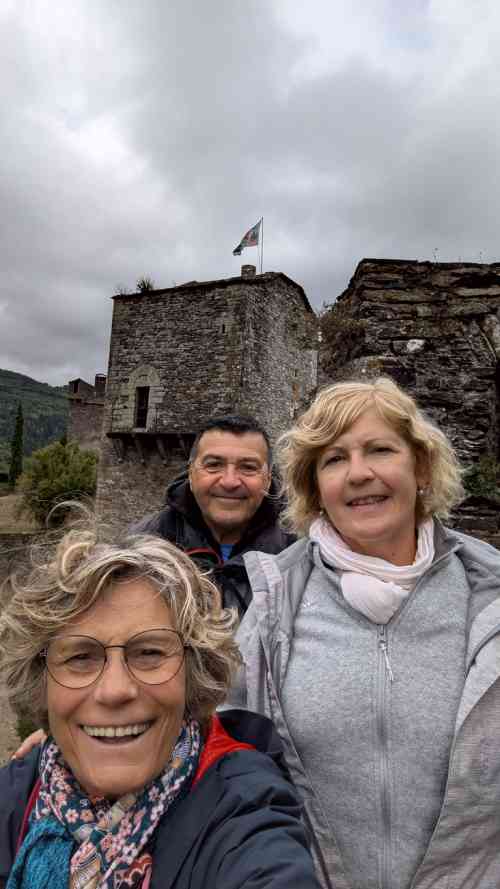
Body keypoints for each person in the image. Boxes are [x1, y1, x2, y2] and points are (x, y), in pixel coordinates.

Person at [228, 376, 500, 889]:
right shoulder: (271, 607)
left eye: (380, 450)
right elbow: (228, 755)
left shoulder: (490, 600)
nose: (358, 473)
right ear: (315, 487)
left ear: (421, 467)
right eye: (334, 459)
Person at [0, 524, 320, 889]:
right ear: (42, 679)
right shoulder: (14, 797)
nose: (115, 690)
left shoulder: (244, 811)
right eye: (80, 657)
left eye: (150, 653)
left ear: (193, 672)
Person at [133, 414, 295, 616]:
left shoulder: (298, 554)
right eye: (214, 465)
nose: (229, 482)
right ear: (191, 474)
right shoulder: (142, 546)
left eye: (248, 467)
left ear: (268, 479)